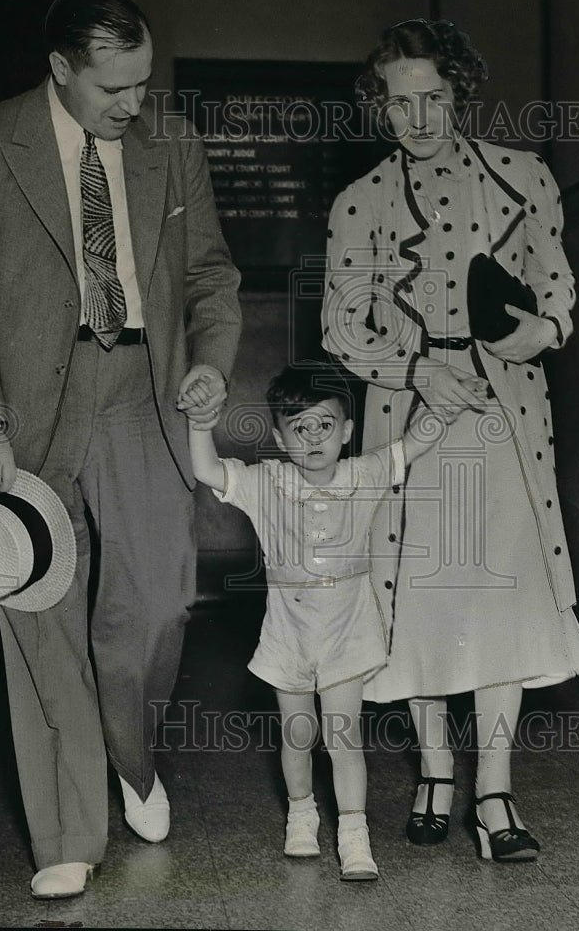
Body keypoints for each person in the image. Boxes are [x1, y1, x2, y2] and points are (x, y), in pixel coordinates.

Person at [0, 0, 241, 899]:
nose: (135, 104)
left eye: (143, 82)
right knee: (36, 611)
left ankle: (131, 760)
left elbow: (211, 273)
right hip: (20, 407)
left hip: (140, 392)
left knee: (161, 602)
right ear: (60, 70)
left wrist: (208, 359)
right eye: (114, 90)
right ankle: (64, 832)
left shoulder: (169, 141)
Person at [320, 18, 579, 862]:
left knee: (502, 604)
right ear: (380, 110)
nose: (418, 119)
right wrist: (412, 372)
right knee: (424, 603)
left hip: (505, 416)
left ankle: (494, 791)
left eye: (432, 98)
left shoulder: (525, 177)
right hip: (410, 419)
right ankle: (435, 770)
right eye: (398, 104)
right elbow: (340, 326)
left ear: (460, 93)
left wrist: (542, 330)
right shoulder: (360, 201)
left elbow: (555, 283)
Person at [181, 359, 485, 880]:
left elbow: (413, 443)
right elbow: (208, 470)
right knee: (298, 734)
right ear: (279, 437)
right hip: (288, 634)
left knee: (343, 736)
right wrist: (199, 422)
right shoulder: (266, 482)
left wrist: (445, 404)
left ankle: (353, 830)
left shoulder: (363, 473)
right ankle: (301, 814)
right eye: (300, 428)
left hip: (347, 631)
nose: (314, 437)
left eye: (325, 424)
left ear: (346, 431)